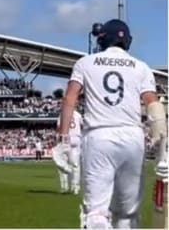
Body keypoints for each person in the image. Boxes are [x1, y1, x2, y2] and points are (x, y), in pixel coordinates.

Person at [58, 19, 167, 229]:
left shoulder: (86, 62)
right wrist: (162, 146)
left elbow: (70, 99)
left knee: (96, 212)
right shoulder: (141, 67)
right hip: (132, 138)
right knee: (127, 213)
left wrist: (63, 137)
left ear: (103, 39)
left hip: (99, 136)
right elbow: (153, 105)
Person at [56, 106, 82, 194]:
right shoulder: (78, 114)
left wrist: (57, 140)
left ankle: (64, 187)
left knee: (63, 163)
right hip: (76, 138)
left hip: (66, 138)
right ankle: (75, 187)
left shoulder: (62, 114)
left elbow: (59, 128)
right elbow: (83, 126)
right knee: (75, 165)